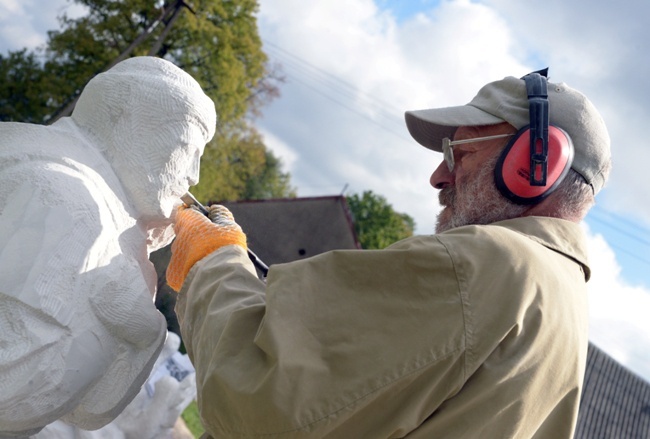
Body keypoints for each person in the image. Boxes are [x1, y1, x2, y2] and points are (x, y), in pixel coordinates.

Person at [166, 70, 611, 438]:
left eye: (459, 152)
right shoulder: (562, 301)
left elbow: (258, 404)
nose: (439, 176)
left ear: (537, 162)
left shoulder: (489, 263)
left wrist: (213, 259)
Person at [0, 56, 215, 436]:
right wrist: (118, 313)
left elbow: (85, 411)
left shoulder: (53, 172)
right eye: (187, 148)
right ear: (128, 125)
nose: (194, 175)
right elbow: (14, 392)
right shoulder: (72, 201)